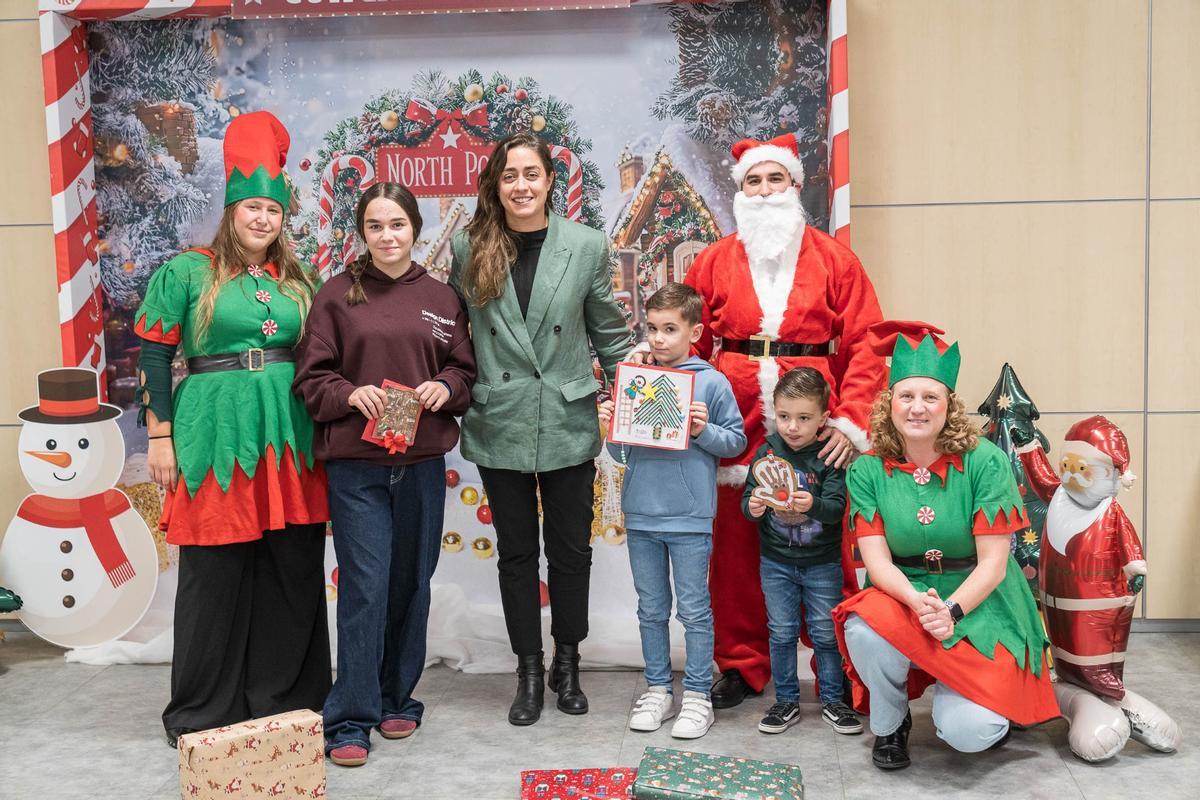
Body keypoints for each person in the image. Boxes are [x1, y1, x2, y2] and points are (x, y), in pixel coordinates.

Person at [136, 111, 330, 746]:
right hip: (215, 432)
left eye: (272, 211)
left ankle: (285, 698)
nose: (262, 219)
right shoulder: (188, 272)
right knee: (215, 573)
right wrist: (159, 436)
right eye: (251, 207)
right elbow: (156, 357)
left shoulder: (301, 280)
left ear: (283, 217)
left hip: (290, 436)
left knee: (290, 568)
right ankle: (201, 710)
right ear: (231, 210)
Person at [681, 133, 885, 708]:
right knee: (738, 550)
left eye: (776, 179)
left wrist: (849, 421)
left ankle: (842, 664)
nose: (765, 191)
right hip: (735, 423)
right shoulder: (713, 261)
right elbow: (688, 335)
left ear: (795, 186)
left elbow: (868, 343)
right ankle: (743, 665)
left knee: (827, 546)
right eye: (753, 181)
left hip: (817, 424)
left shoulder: (835, 259)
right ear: (740, 190)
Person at [449, 132, 633, 726]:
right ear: (495, 184)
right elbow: (453, 335)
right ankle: (528, 668)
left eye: (532, 174)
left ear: (551, 180)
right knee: (517, 554)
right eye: (510, 175)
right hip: (499, 414)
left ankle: (568, 662)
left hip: (567, 415)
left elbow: (608, 331)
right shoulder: (468, 245)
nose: (521, 186)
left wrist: (647, 404)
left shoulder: (585, 245)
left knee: (572, 552)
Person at [293, 183, 476, 767]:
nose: (387, 236)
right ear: (362, 233)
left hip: (421, 466)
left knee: (410, 585)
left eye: (397, 224)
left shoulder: (444, 298)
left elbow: (464, 371)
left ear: (414, 228)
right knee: (365, 588)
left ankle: (399, 696)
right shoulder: (334, 298)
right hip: (358, 470)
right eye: (375, 226)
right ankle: (349, 717)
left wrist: (445, 387)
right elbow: (311, 381)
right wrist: (351, 394)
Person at [831, 324, 1060, 771]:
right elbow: (877, 564)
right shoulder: (867, 470)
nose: (917, 408)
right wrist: (918, 603)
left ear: (948, 407)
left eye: (930, 397)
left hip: (980, 596)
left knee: (968, 735)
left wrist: (950, 611)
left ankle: (982, 708)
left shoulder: (985, 462)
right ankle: (891, 724)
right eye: (906, 396)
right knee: (863, 629)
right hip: (907, 589)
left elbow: (994, 565)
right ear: (890, 403)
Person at [597, 283, 746, 739]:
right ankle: (659, 688)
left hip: (690, 516)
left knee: (695, 610)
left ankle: (699, 694)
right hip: (641, 514)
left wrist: (702, 430)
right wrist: (611, 427)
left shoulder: (713, 382)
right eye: (652, 329)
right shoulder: (636, 380)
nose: (659, 338)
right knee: (651, 608)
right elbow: (622, 455)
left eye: (669, 329)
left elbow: (736, 443)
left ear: (694, 331)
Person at [742, 367, 861, 736]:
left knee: (826, 634)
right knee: (780, 633)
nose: (792, 427)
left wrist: (812, 505)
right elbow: (747, 500)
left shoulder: (828, 457)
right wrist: (754, 508)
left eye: (804, 418)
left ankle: (832, 700)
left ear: (823, 418)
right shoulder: (767, 452)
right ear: (773, 413)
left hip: (821, 564)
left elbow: (837, 509)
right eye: (784, 417)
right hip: (775, 563)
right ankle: (786, 701)